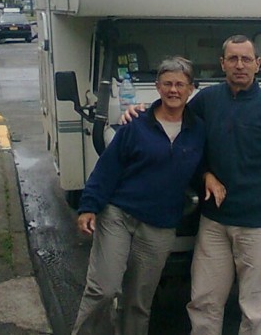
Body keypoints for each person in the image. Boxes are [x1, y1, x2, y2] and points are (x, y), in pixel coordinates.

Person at [124, 35, 261, 335]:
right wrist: (137, 115)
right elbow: (177, 131)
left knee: (254, 307)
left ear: (257, 65)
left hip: (258, 225)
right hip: (215, 222)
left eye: (246, 59)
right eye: (233, 59)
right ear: (222, 63)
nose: (239, 65)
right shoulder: (207, 102)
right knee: (204, 302)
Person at [71, 56, 225, 335]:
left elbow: (198, 163)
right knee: (103, 290)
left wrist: (207, 175)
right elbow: (106, 169)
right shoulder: (135, 124)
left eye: (180, 84)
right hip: (118, 215)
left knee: (138, 301)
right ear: (157, 87)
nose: (173, 90)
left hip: (159, 225)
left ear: (191, 89)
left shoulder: (198, 131)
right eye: (167, 84)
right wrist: (88, 207)